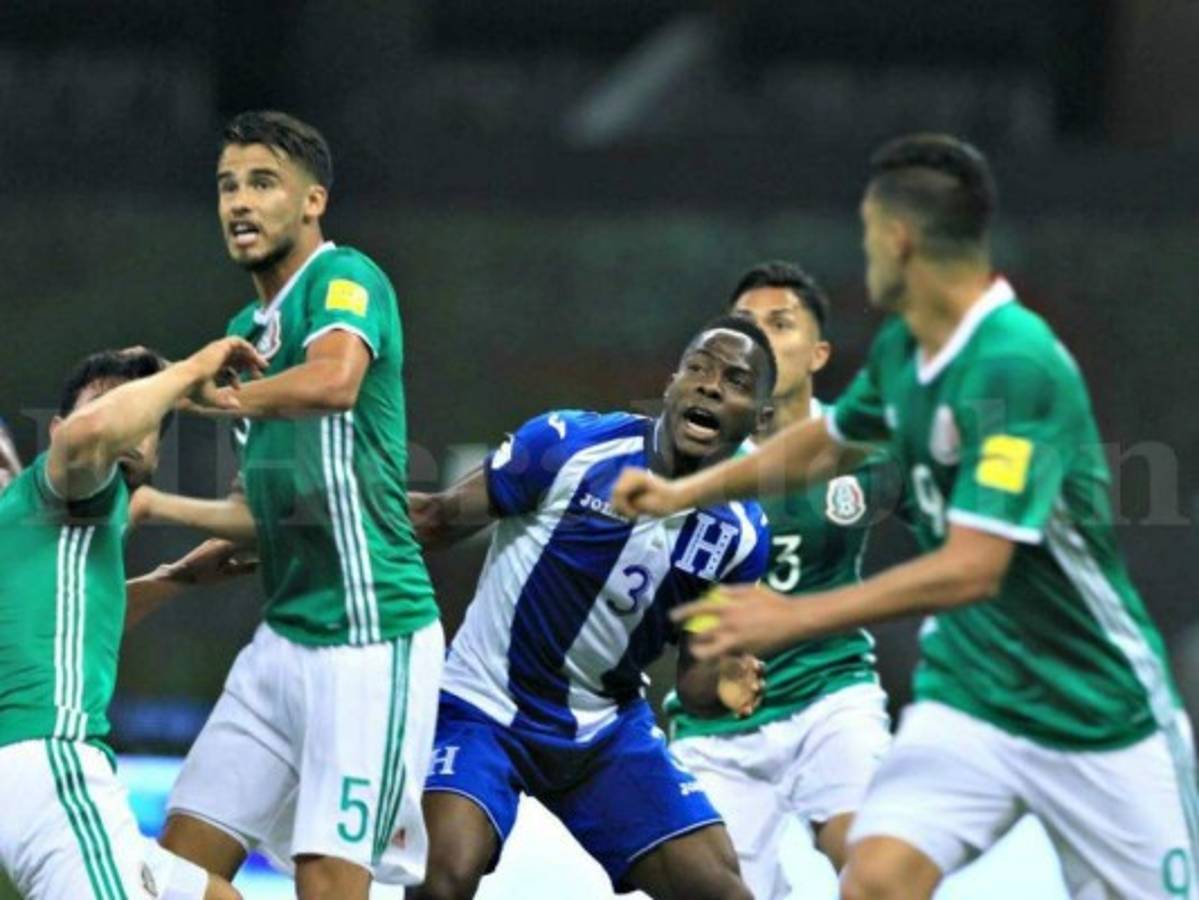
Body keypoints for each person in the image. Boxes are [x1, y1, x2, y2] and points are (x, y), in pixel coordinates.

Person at [612, 133, 1198, 900]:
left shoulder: (1013, 365)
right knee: (874, 882)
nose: (865, 254)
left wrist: (793, 617)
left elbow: (973, 568)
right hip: (971, 696)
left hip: (1095, 707)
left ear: (898, 239)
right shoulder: (904, 349)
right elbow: (827, 443)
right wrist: (681, 494)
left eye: (866, 233)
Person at [132, 110, 444, 900]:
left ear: (312, 202)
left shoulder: (345, 279)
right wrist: (158, 506)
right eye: (227, 186)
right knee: (175, 870)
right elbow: (261, 513)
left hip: (370, 639)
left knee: (327, 883)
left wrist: (211, 397)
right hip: (283, 641)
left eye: (263, 183)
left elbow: (335, 381)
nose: (239, 202)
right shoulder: (246, 331)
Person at [406, 318, 777, 900]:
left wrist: (725, 684)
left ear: (760, 419)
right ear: (672, 383)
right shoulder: (570, 445)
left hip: (604, 731)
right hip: (484, 704)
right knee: (441, 879)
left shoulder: (741, 536)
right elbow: (435, 519)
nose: (710, 385)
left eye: (735, 381)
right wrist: (311, 525)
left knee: (724, 893)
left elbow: (695, 680)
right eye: (698, 368)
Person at [664, 262, 898, 898]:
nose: (761, 336)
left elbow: (951, 528)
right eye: (745, 324)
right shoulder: (693, 459)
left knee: (875, 870)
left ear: (819, 353)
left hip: (831, 695)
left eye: (781, 323)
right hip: (718, 722)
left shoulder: (866, 446)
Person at [0, 340, 263, 900]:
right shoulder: (67, 487)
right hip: (52, 762)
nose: (119, 423)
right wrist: (192, 371)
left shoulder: (37, 544)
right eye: (102, 406)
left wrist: (175, 579)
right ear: (56, 433)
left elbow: (71, 626)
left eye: (138, 413)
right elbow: (91, 435)